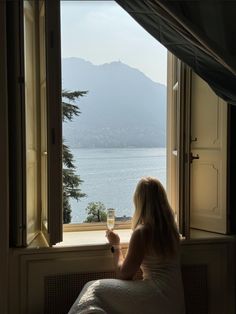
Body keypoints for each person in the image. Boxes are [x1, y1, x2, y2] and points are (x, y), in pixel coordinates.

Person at [68, 177, 185, 314]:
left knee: (93, 289)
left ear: (139, 202)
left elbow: (124, 274)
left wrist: (116, 246)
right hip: (174, 299)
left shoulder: (142, 232)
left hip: (157, 297)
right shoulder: (172, 229)